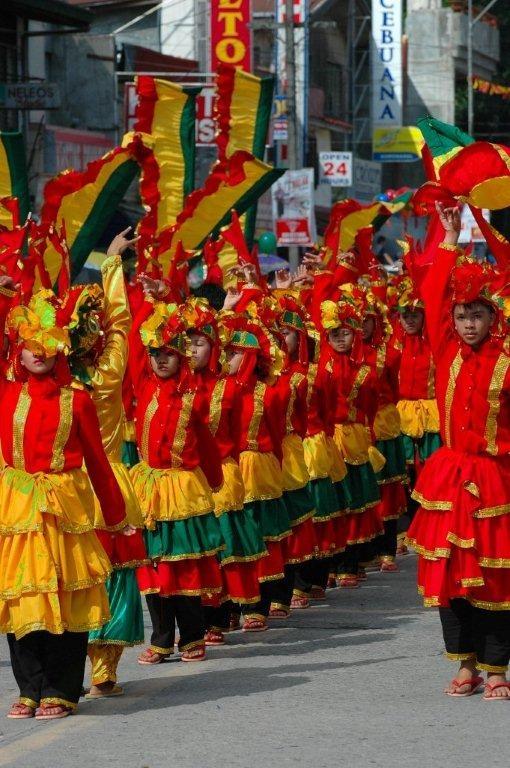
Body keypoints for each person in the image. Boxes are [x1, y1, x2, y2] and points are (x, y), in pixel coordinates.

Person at [1, 288, 129, 720]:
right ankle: (30, 688)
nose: (38, 353)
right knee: (24, 599)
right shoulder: (4, 397)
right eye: (30, 346)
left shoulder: (78, 400)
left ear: (61, 349)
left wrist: (117, 517)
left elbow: (97, 462)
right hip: (18, 510)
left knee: (68, 598)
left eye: (47, 344)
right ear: (17, 353)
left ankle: (61, 689)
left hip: (66, 508)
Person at [408, 202, 510, 699]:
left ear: (494, 316)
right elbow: (431, 295)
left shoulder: (508, 360)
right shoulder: (446, 347)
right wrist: (449, 237)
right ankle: (465, 662)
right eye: (462, 315)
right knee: (450, 574)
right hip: (448, 477)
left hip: (495, 478)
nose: (469, 323)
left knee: (495, 579)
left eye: (477, 315)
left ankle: (496, 669)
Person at [64, 230, 147, 698]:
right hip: (99, 485)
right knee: (107, 575)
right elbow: (121, 322)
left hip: (76, 489)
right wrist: (112, 264)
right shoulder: (108, 370)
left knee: (82, 574)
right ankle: (100, 668)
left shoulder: (62, 380)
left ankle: (84, 666)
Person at [130, 279, 224, 664]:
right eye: (155, 353)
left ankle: (192, 636)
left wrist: (215, 482)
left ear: (181, 356)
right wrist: (148, 296)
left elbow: (206, 445)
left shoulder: (194, 397)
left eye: (169, 353)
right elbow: (132, 332)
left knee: (183, 566)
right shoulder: (141, 386)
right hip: (148, 487)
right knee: (152, 568)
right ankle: (160, 638)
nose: (161, 360)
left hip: (183, 490)